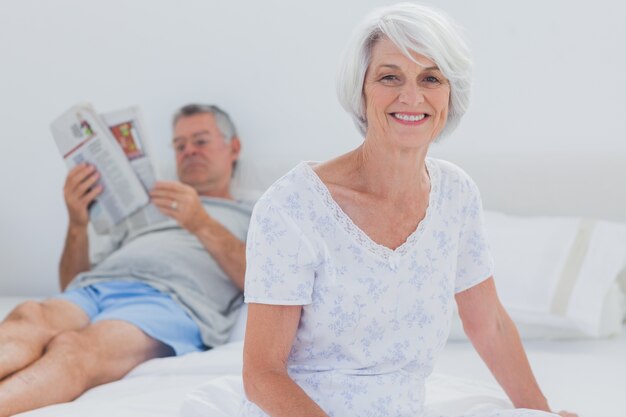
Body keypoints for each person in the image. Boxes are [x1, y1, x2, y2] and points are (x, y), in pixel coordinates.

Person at [241, 4, 577, 417]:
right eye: (389, 77)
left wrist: (542, 412)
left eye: (431, 78)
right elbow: (261, 374)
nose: (412, 97)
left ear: (450, 95)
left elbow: (490, 324)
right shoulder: (292, 206)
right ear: (360, 90)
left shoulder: (456, 194)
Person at [0, 104, 251, 416]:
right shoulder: (145, 209)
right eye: (180, 145)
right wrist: (77, 224)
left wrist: (200, 222)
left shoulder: (254, 211)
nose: (189, 152)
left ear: (234, 148)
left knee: (76, 348)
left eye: (200, 141)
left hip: (169, 303)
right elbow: (69, 284)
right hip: (96, 289)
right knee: (29, 315)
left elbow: (259, 282)